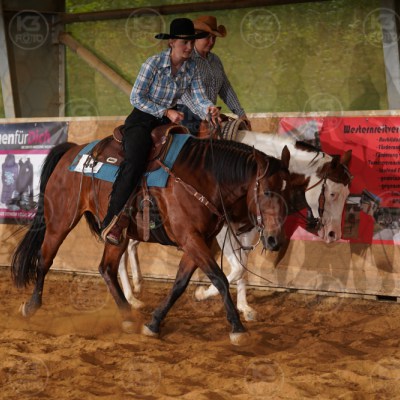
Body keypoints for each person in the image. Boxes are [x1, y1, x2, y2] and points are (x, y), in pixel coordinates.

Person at [101, 18, 220, 245]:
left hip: (167, 122)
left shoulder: (192, 68)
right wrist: (165, 111)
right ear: (172, 42)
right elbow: (136, 97)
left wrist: (209, 109)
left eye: (191, 42)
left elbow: (198, 98)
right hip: (142, 119)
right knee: (135, 160)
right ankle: (113, 220)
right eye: (184, 42)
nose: (189, 47)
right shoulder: (153, 64)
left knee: (188, 156)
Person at [178, 15, 251, 134]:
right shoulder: (186, 59)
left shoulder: (215, 60)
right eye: (207, 37)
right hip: (186, 112)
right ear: (196, 37)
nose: (212, 42)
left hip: (209, 112)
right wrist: (204, 114)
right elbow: (183, 93)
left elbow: (226, 89)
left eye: (214, 38)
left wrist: (241, 114)